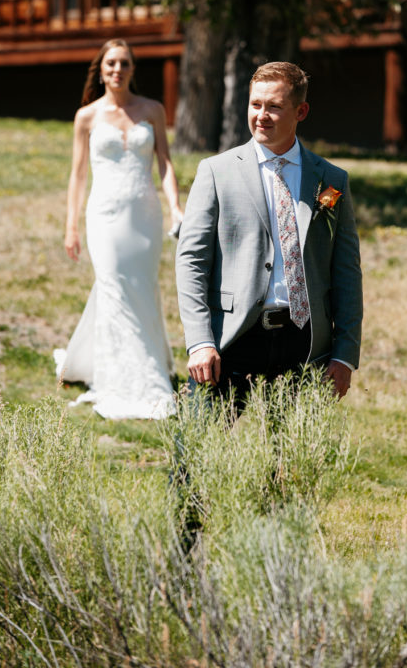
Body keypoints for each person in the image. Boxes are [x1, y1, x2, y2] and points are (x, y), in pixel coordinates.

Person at [176, 61, 362, 406]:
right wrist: (200, 341)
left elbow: (346, 271)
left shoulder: (331, 181)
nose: (262, 115)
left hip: (304, 342)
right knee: (195, 453)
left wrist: (345, 353)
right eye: (255, 104)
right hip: (231, 337)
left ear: (301, 111)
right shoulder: (216, 172)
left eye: (274, 106)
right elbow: (191, 262)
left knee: (293, 458)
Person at [54, 38, 183, 419]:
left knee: (140, 287)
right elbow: (78, 175)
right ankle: (117, 378)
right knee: (112, 285)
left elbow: (166, 164)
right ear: (101, 68)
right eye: (111, 63)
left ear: (132, 68)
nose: (118, 69)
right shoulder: (87, 117)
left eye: (124, 63)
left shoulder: (153, 110)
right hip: (104, 215)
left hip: (144, 215)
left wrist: (175, 206)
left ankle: (145, 360)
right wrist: (70, 227)